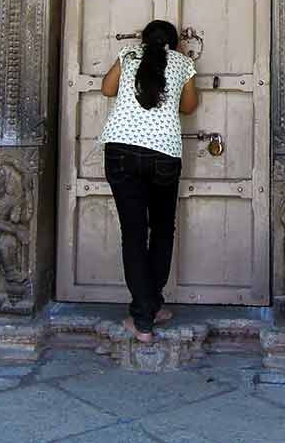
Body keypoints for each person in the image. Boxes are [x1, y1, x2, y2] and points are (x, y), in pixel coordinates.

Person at [99, 19, 199, 342]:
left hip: (121, 151)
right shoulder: (182, 63)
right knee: (162, 231)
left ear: (143, 40)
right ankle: (148, 311)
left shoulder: (129, 54)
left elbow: (107, 88)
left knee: (133, 234)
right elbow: (189, 107)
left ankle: (144, 315)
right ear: (175, 44)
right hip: (163, 155)